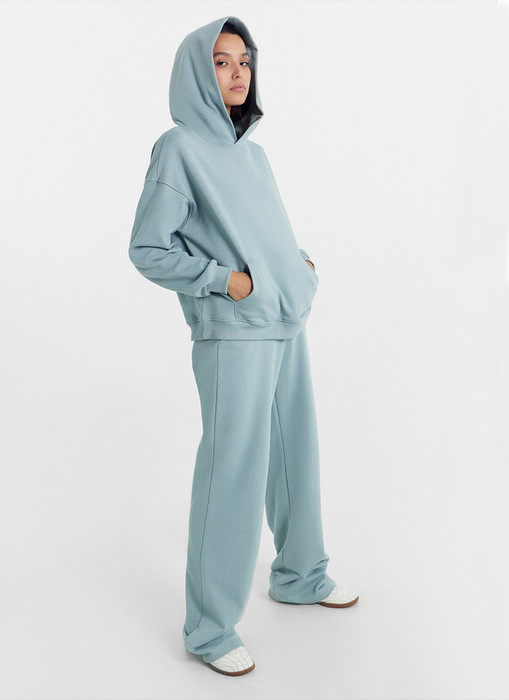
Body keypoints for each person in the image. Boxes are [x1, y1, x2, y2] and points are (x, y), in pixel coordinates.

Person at [128, 15, 359, 677]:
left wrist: (298, 266)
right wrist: (226, 282)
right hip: (232, 332)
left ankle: (300, 575)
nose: (237, 73)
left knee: (294, 454)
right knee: (233, 469)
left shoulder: (252, 154)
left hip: (285, 321)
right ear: (197, 72)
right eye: (222, 61)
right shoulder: (178, 148)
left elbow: (264, 232)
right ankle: (209, 629)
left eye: (244, 62)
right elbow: (148, 248)